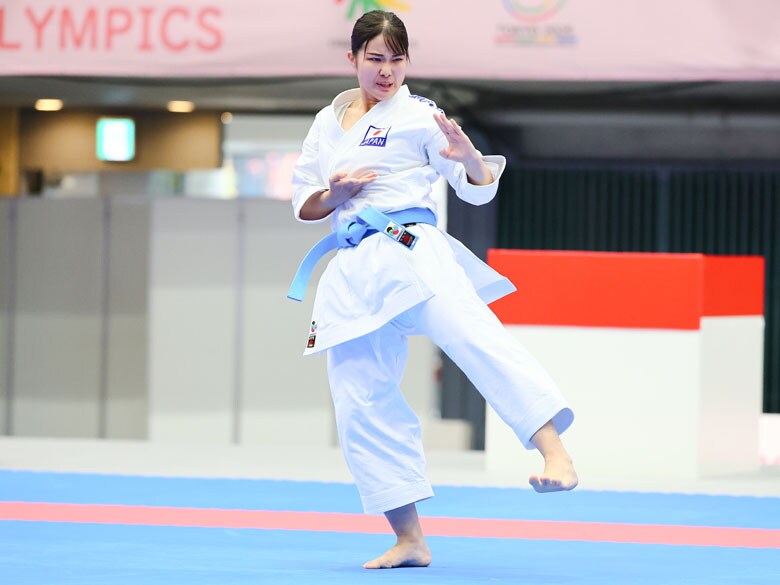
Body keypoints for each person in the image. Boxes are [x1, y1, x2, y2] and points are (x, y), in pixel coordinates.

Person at [290, 10, 578, 570]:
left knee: (474, 337)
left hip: (411, 249)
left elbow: (476, 190)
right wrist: (335, 194)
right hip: (352, 269)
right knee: (359, 398)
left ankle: (555, 454)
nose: (386, 71)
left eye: (397, 60)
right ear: (352, 59)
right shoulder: (327, 121)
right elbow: (305, 201)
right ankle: (409, 538)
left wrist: (470, 160)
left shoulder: (422, 116)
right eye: (375, 59)